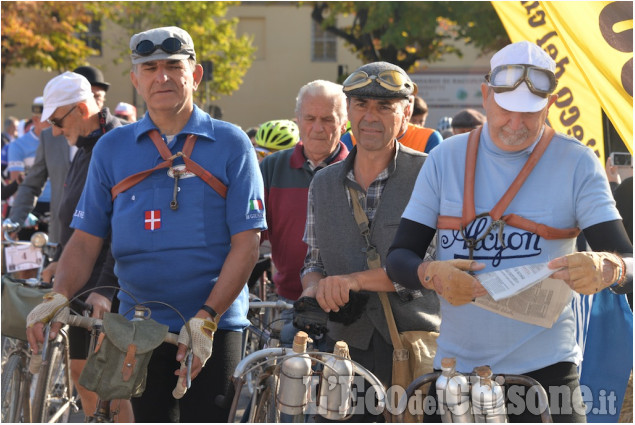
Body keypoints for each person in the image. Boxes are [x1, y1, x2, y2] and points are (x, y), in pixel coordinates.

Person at [26, 26, 265, 423]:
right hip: (138, 326)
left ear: (196, 73)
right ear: (136, 80)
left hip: (214, 325)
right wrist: (59, 294)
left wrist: (207, 318)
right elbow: (86, 239)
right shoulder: (111, 148)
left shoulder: (232, 143)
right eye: (149, 68)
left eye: (174, 65)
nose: (162, 77)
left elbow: (247, 244)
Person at [386, 40, 632, 422]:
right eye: (506, 110)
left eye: (530, 114)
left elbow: (627, 261)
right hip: (455, 375)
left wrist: (608, 267)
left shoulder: (577, 163)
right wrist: (430, 274)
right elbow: (399, 257)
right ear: (486, 96)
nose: (516, 125)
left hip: (547, 377)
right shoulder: (445, 159)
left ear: (550, 105)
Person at [299, 62, 440, 418]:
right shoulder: (323, 183)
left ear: (406, 113)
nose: (371, 116)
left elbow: (429, 266)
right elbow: (314, 261)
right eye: (361, 104)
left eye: (385, 106)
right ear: (348, 112)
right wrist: (313, 290)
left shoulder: (431, 173)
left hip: (411, 347)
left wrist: (352, 281)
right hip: (342, 349)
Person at [260, 80, 349, 345]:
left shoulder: (358, 170)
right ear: (297, 120)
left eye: (328, 119)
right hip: (290, 302)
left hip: (347, 307)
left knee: (339, 382)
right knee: (289, 379)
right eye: (310, 118)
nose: (318, 128)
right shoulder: (273, 167)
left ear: (344, 124)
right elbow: (253, 236)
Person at [7, 65, 112, 244]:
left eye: (97, 97)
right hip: (61, 237)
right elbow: (32, 184)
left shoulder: (119, 135)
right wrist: (14, 220)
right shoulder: (50, 137)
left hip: (101, 245)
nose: (94, 103)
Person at [6, 97, 52, 231]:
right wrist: (24, 215)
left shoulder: (60, 141)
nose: (53, 124)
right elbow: (17, 182)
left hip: (56, 204)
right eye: (49, 120)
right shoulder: (18, 146)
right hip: (31, 206)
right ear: (36, 120)